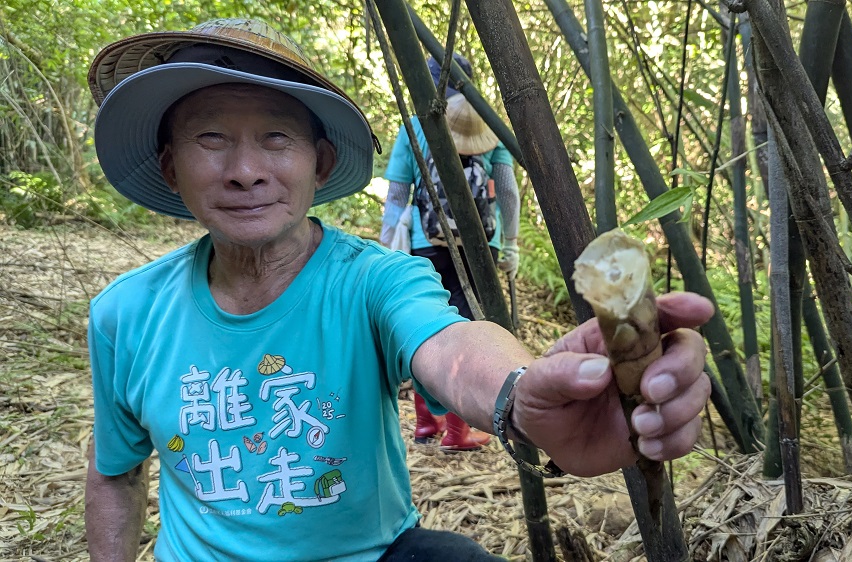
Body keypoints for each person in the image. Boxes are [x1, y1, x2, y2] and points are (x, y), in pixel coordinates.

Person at [84, 18, 714, 562]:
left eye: (276, 138)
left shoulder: (373, 279)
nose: (246, 171)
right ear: (171, 166)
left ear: (320, 164)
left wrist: (523, 398)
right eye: (211, 139)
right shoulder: (126, 313)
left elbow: (450, 346)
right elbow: (115, 474)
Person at [380, 53, 520, 451]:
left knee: (426, 328)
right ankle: (459, 431)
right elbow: (507, 191)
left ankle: (426, 424)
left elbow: (396, 194)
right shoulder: (486, 124)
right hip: (481, 246)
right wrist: (511, 243)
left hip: (427, 244)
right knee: (470, 326)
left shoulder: (413, 127)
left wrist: (389, 242)